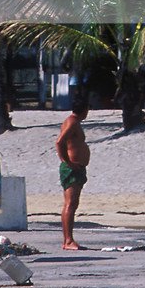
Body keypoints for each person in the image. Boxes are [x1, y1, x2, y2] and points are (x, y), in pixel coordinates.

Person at [57, 99, 90, 250]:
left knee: (72, 203)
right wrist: (67, 161)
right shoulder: (72, 122)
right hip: (72, 169)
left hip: (76, 168)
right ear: (84, 110)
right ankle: (68, 240)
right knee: (70, 203)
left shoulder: (73, 122)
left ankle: (68, 240)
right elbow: (59, 142)